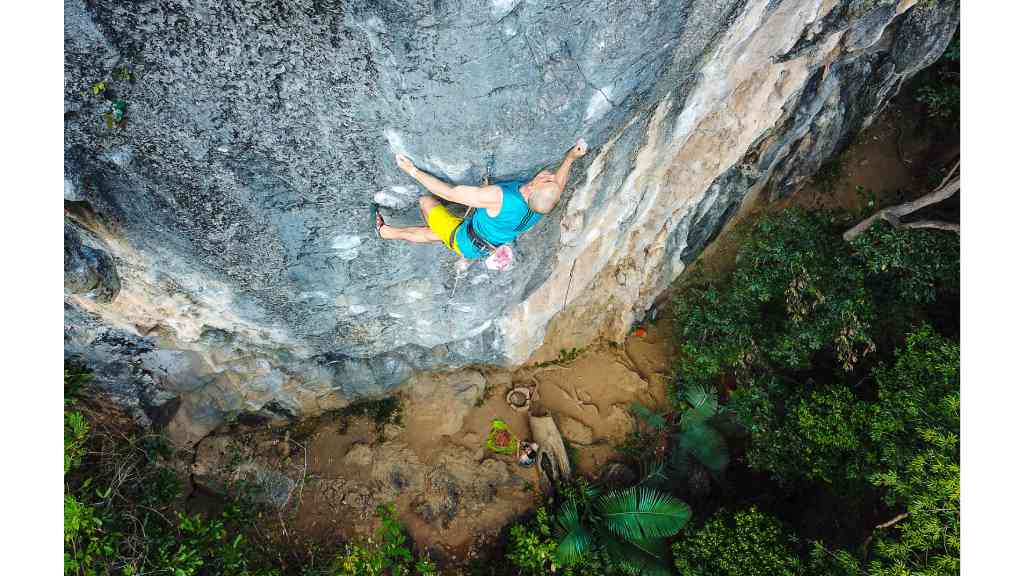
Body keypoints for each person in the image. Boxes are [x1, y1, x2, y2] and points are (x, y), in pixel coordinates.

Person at [375, 139, 589, 260]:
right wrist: (571, 157)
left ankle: (387, 233)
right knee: (437, 234)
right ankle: (389, 232)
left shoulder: (502, 199)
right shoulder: (543, 204)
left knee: (426, 203)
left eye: (547, 179)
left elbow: (450, 192)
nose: (550, 175)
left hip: (465, 239)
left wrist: (412, 170)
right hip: (486, 242)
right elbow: (558, 186)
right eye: (551, 179)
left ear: (534, 187)